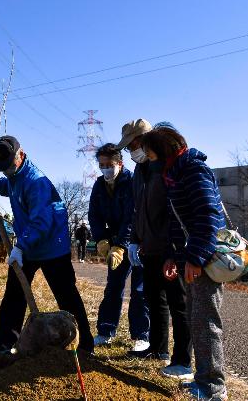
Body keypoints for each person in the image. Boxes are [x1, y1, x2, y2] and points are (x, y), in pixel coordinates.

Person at [0, 135, 95, 353]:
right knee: (14, 295)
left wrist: (20, 247)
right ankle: (6, 344)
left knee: (66, 295)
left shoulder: (36, 182)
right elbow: (12, 184)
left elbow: (42, 222)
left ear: (20, 155)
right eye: (1, 168)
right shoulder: (15, 175)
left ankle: (85, 346)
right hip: (29, 244)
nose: (6, 171)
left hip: (52, 246)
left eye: (8, 166)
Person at [141, 128, 228, 401]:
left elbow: (208, 217)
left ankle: (214, 388)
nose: (149, 160)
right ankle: (202, 380)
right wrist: (173, 256)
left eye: (151, 154)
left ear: (164, 151)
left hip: (206, 260)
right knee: (196, 318)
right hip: (191, 258)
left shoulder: (194, 170)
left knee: (206, 322)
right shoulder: (175, 174)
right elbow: (179, 224)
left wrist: (195, 258)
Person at [119, 119, 192, 379]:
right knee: (153, 298)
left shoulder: (168, 167)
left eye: (134, 145)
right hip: (148, 246)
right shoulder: (140, 171)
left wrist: (174, 250)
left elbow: (176, 212)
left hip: (170, 247)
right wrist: (135, 239)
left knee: (178, 302)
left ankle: (183, 358)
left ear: (147, 139)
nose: (131, 152)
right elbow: (139, 209)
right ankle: (158, 348)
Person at [88, 143, 150, 352]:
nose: (105, 168)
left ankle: (142, 335)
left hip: (139, 241)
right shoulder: (99, 185)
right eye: (101, 165)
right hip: (115, 239)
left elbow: (132, 216)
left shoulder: (131, 182)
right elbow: (94, 214)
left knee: (140, 289)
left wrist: (122, 245)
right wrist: (101, 239)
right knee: (113, 286)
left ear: (119, 163)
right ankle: (106, 330)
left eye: (109, 164)